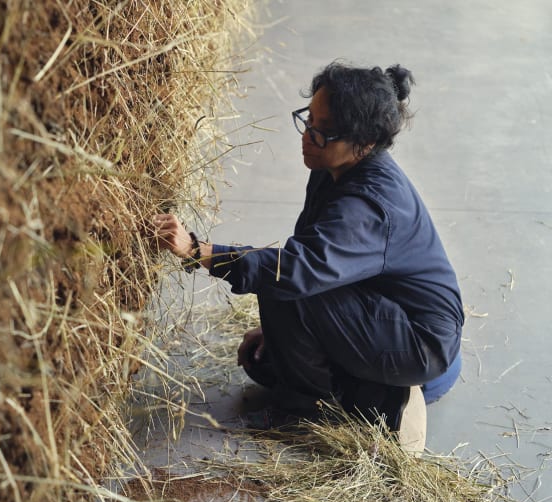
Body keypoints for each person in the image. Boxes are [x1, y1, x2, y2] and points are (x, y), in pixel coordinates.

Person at [152, 61, 463, 447]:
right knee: (264, 363)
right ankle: (368, 392)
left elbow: (294, 271)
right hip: (386, 314)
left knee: (282, 288)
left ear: (364, 141)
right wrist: (279, 335)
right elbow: (315, 256)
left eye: (322, 130)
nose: (307, 136)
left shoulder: (368, 205)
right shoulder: (332, 165)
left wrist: (198, 251)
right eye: (308, 119)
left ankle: (326, 413)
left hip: (419, 344)